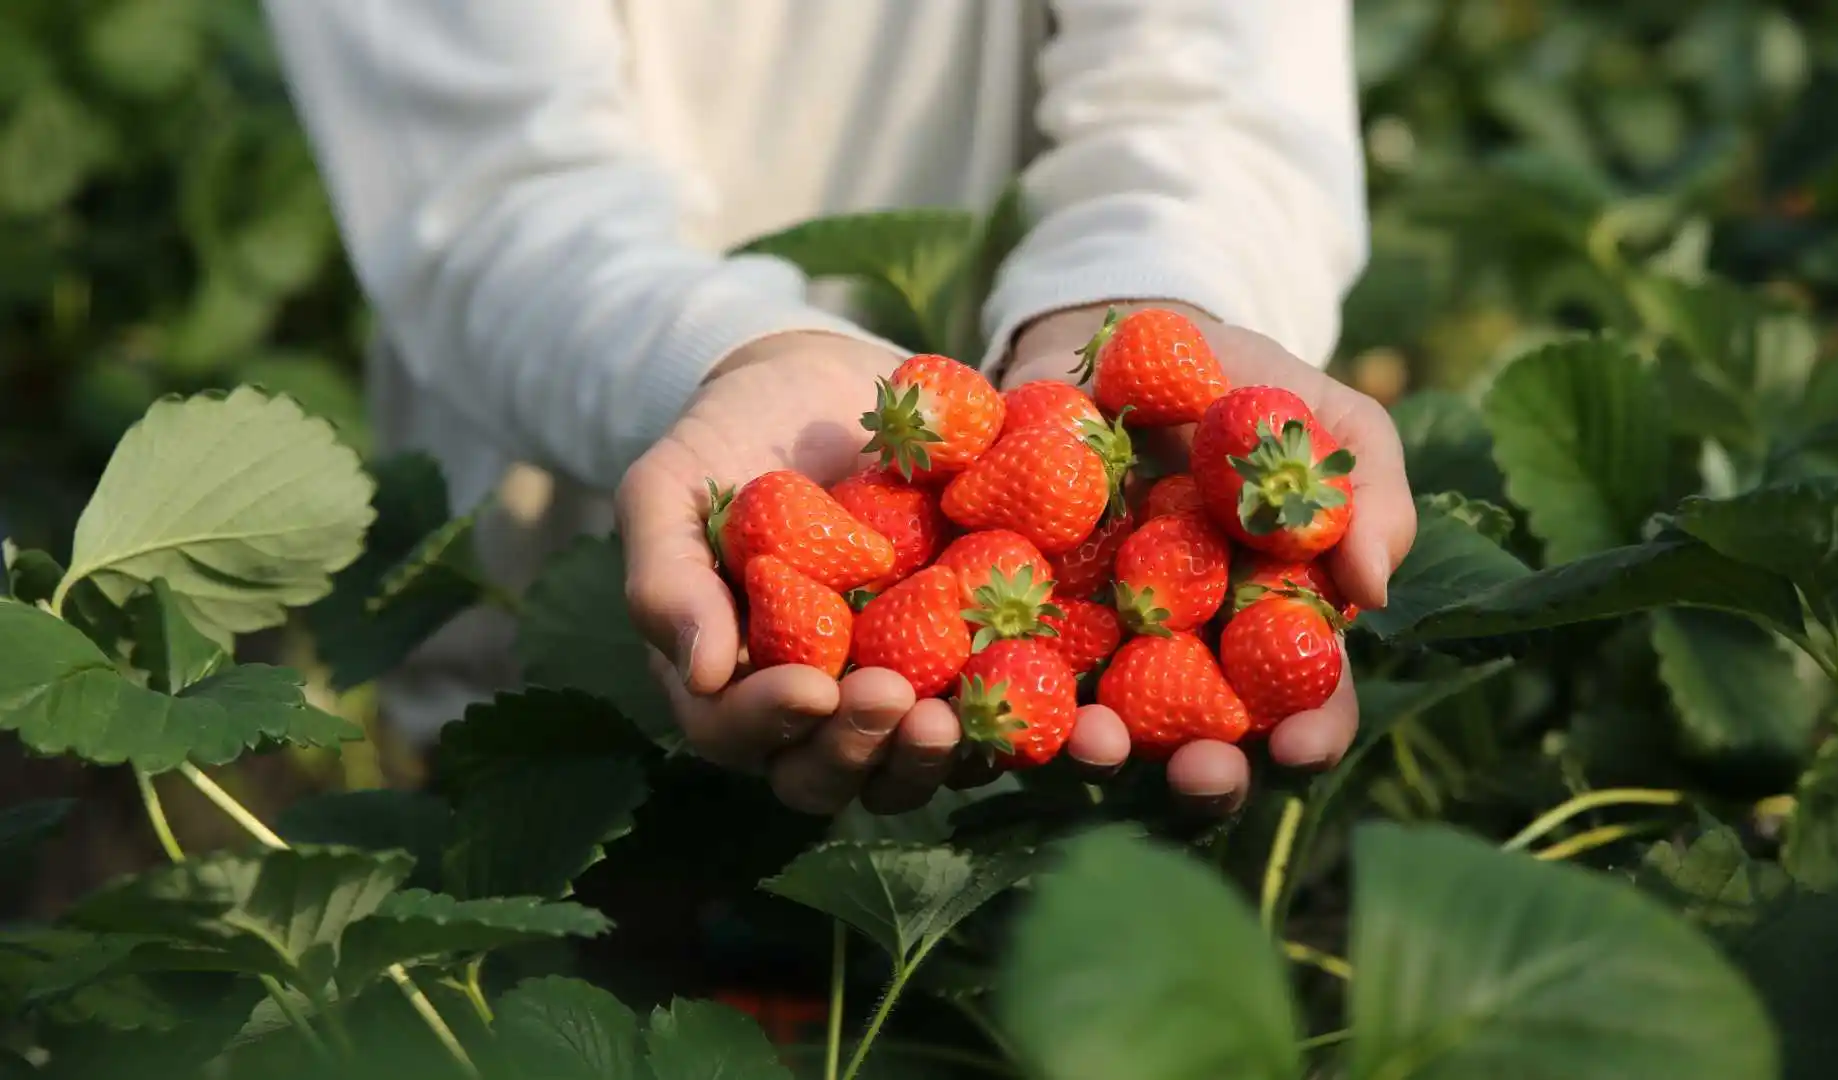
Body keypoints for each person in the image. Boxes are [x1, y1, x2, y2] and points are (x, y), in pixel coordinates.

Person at [264, 2, 1415, 820]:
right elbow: (488, 191)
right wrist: (729, 360)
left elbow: (1210, 87)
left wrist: (1144, 297)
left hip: (1029, 724)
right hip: (542, 636)